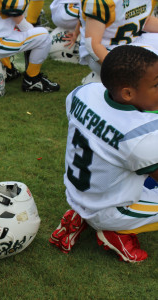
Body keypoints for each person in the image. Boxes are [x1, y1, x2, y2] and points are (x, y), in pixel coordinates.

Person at [50, 45, 158, 263]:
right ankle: (116, 233)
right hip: (111, 210)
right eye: (156, 85)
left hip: (76, 193)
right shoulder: (141, 137)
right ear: (127, 93)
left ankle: (80, 215)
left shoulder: (83, 92)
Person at [0, 0, 60, 92]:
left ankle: (8, 69)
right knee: (43, 36)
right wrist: (31, 33)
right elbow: (17, 17)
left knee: (8, 29)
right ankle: (32, 79)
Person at [79, 0, 158, 83]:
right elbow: (92, 45)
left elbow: (144, 21)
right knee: (152, 65)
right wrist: (117, 69)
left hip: (130, 41)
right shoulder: (102, 2)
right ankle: (103, 80)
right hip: (104, 50)